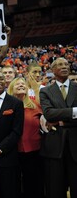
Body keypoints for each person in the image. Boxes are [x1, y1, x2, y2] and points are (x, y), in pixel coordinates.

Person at [39, 57, 77, 198]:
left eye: (66, 64)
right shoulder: (45, 91)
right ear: (53, 70)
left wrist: (61, 121)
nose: (64, 66)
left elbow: (55, 115)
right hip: (54, 148)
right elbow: (49, 114)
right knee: (55, 190)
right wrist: (74, 112)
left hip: (75, 146)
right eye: (60, 64)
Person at [7, 77, 44, 198]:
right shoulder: (6, 106)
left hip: (34, 151)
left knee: (34, 183)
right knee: (14, 184)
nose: (21, 85)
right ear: (11, 88)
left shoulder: (35, 105)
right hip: (12, 151)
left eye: (23, 84)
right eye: (17, 84)